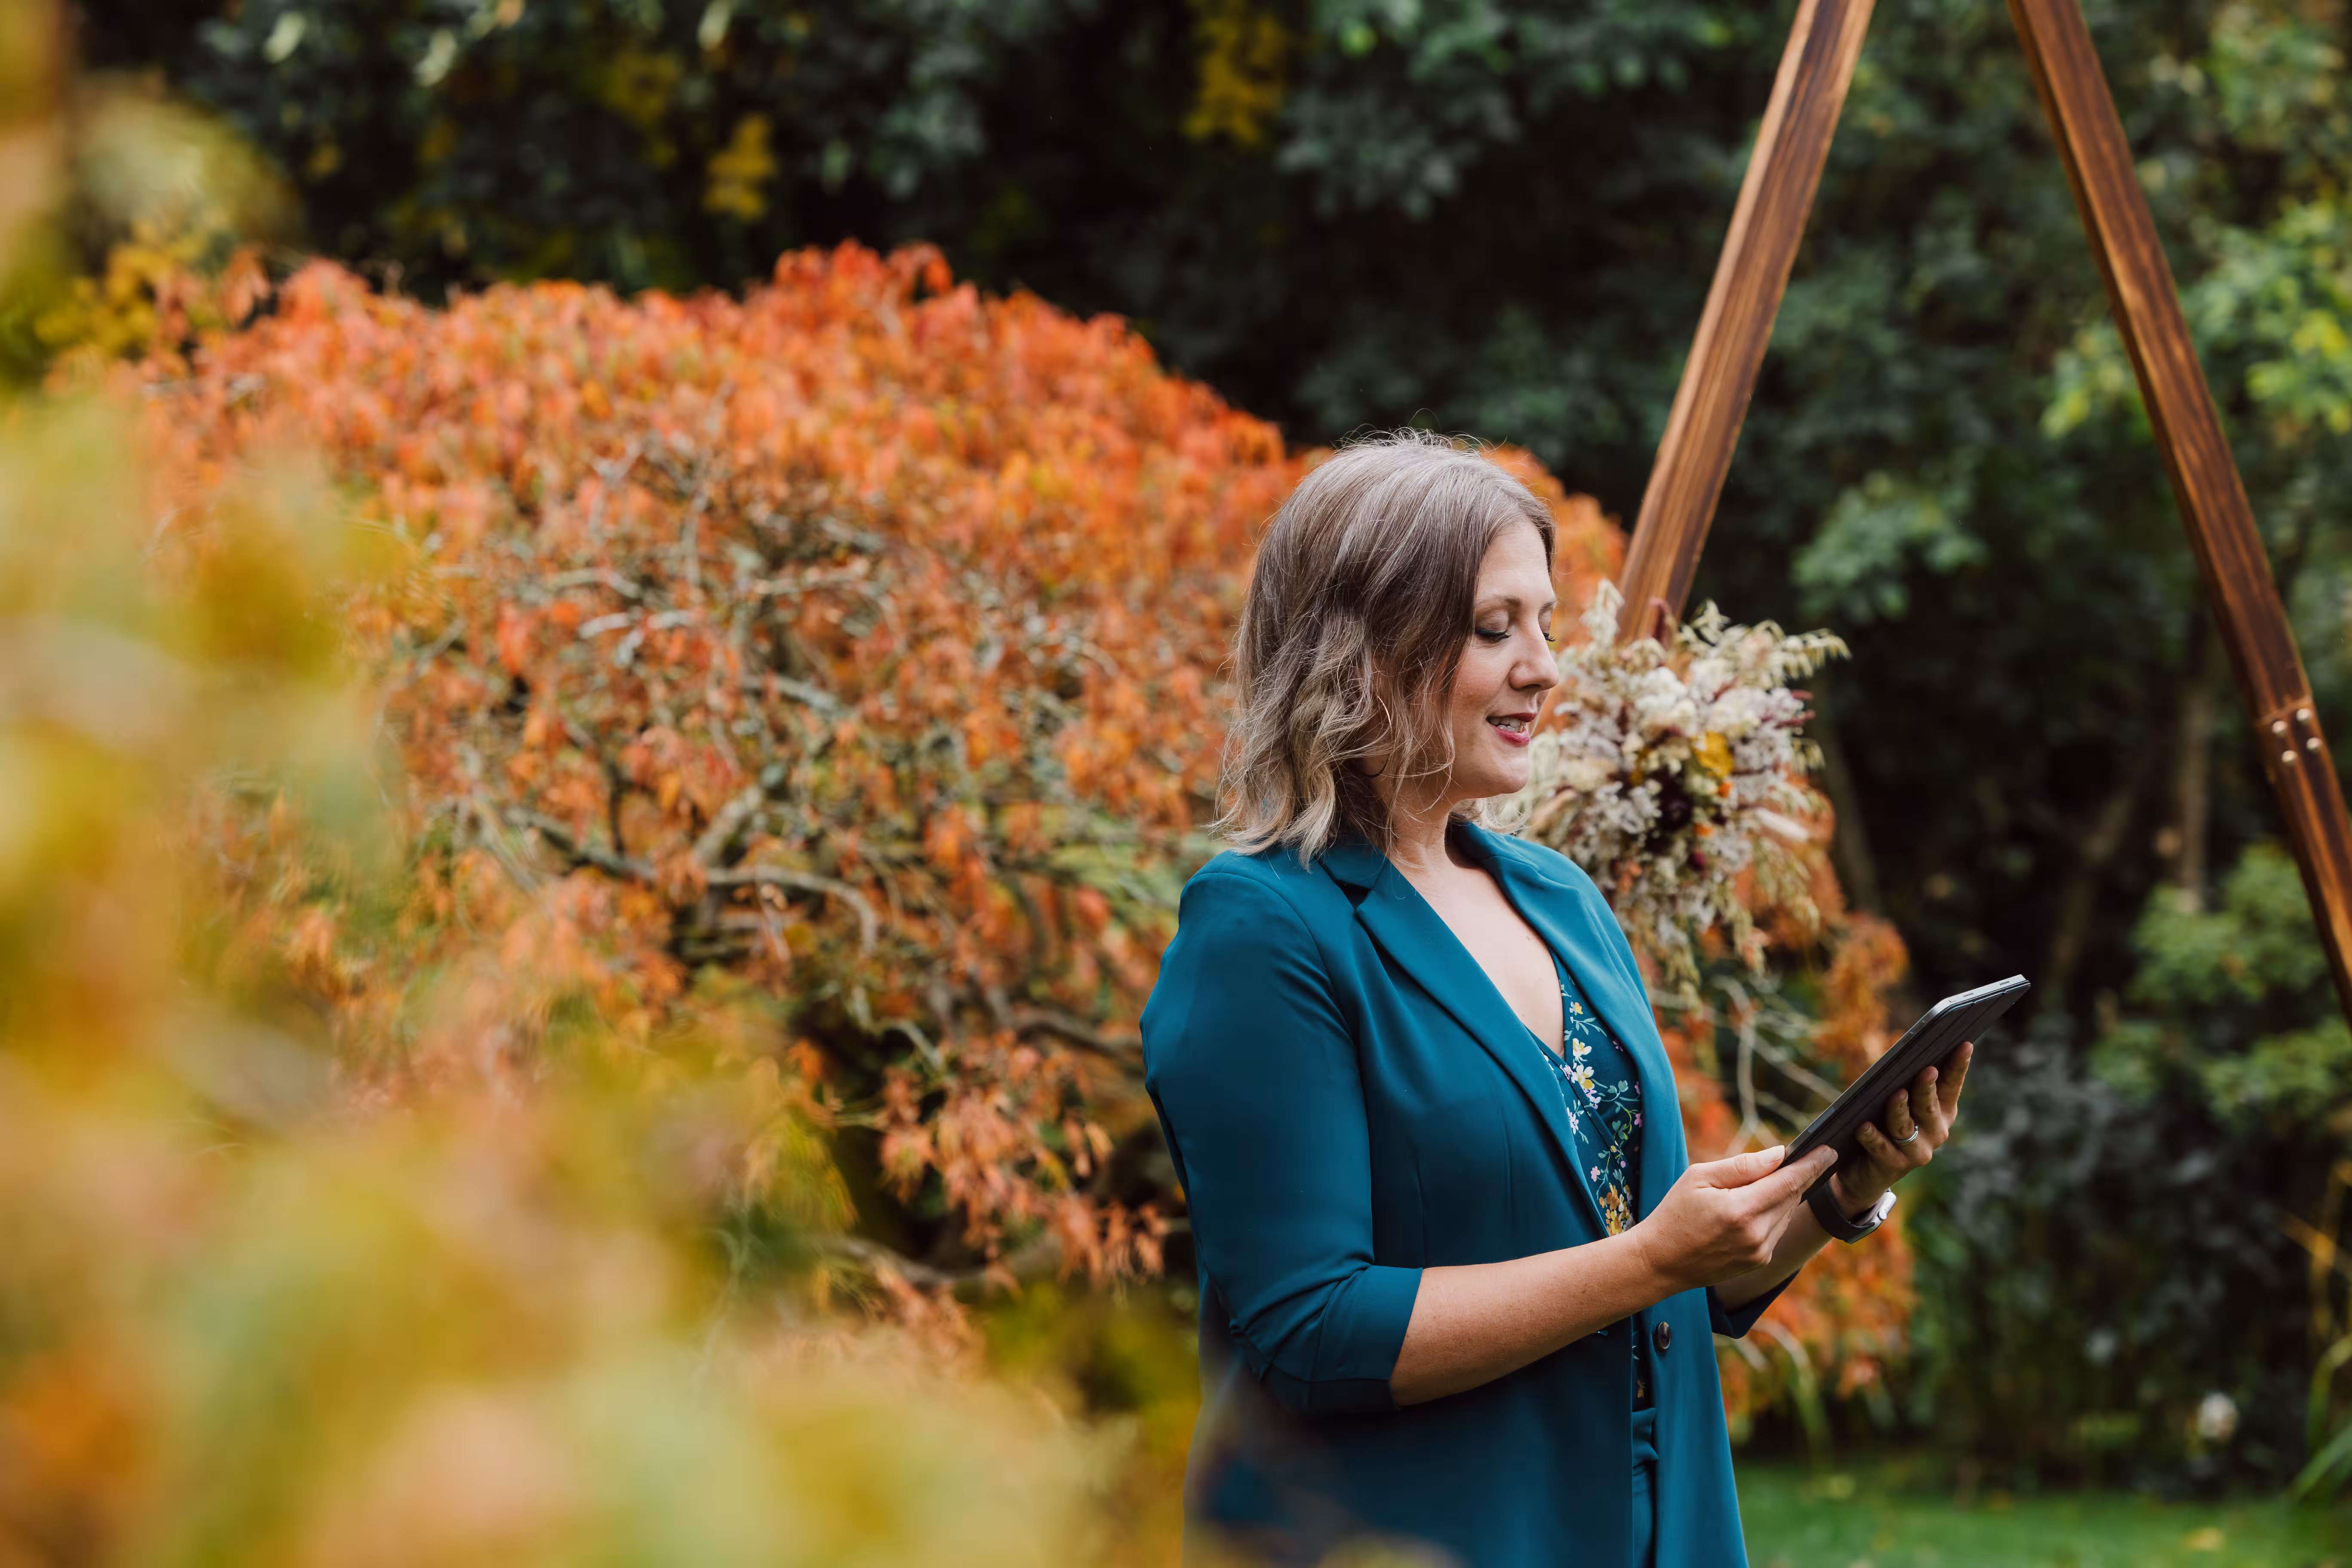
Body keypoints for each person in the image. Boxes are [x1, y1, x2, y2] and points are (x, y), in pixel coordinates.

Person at [1139, 432, 1973, 1568]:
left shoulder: (1561, 899)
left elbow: (1672, 1300)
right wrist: (1650, 1261)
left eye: (1545, 622)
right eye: (1495, 630)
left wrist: (1836, 1196)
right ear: (1365, 653)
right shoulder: (1263, 929)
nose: (1544, 665)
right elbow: (1310, 1331)